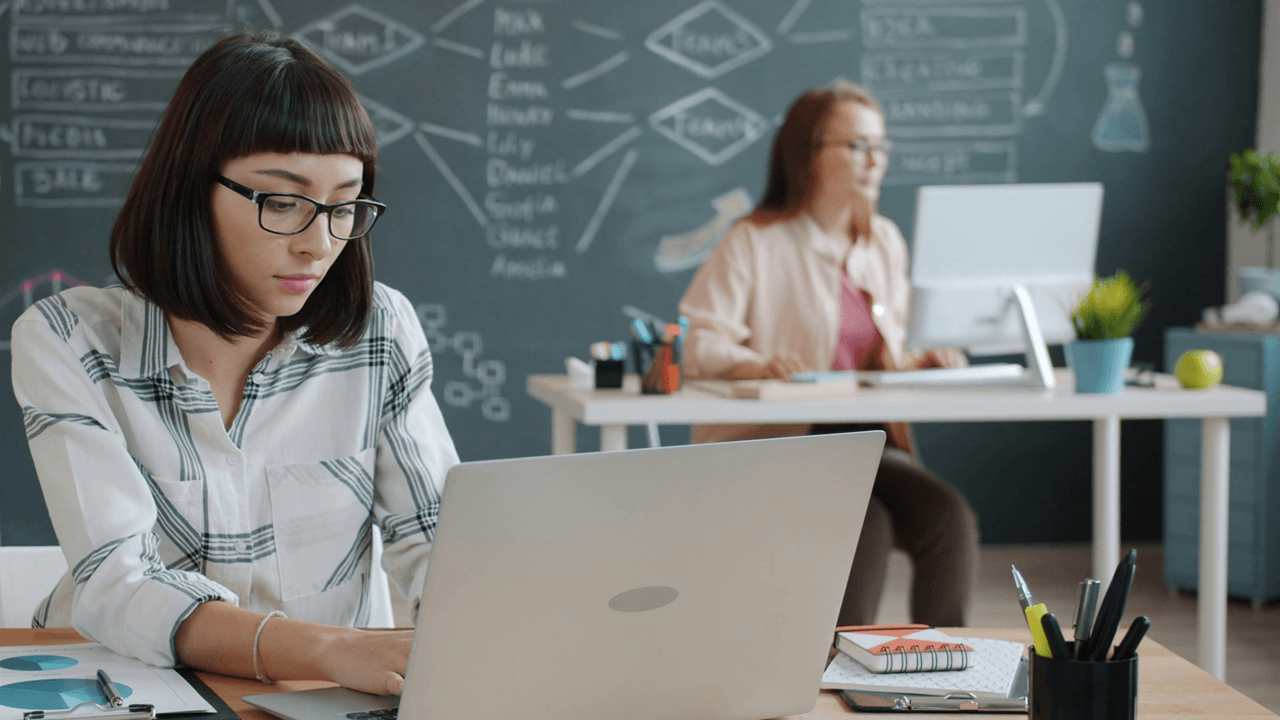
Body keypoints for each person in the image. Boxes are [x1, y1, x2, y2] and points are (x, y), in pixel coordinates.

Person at [10, 31, 456, 695]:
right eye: (283, 202)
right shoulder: (70, 339)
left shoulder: (380, 331)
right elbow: (118, 582)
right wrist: (327, 648)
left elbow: (440, 542)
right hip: (125, 689)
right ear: (192, 190)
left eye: (344, 205)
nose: (319, 243)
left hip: (326, 700)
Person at [678, 81, 980, 627]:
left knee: (948, 517)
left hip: (867, 445)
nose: (874, 161)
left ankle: (943, 675)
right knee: (865, 526)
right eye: (858, 145)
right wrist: (756, 363)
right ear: (809, 153)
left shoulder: (883, 241)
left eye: (881, 147)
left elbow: (885, 352)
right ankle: (832, 687)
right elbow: (698, 341)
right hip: (785, 447)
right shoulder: (753, 240)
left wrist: (924, 357)